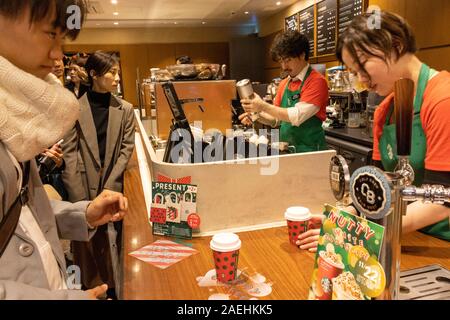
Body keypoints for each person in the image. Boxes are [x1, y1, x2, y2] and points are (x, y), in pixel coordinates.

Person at [0, 0, 129, 299]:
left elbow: (24, 216)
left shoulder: (14, 122)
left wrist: (80, 213)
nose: (58, 54)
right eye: (50, 34)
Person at [298, 11, 450, 252]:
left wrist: (353, 233)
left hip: (441, 245)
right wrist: (345, 217)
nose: (361, 81)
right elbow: (378, 189)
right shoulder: (384, 112)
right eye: (354, 72)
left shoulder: (442, 99)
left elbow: (442, 202)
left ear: (396, 47)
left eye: (362, 67)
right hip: (404, 236)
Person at [62, 50, 136, 298]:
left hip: (112, 181)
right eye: (111, 73)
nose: (117, 78)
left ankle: (115, 287)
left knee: (113, 241)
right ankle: (90, 290)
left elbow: (126, 149)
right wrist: (78, 197)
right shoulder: (73, 108)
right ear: (94, 74)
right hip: (82, 184)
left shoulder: (125, 109)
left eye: (117, 72)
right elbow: (69, 153)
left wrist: (112, 183)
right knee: (86, 244)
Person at [239, 30, 329, 153]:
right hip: (287, 150)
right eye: (281, 61)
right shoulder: (284, 83)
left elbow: (297, 116)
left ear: (302, 55)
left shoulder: (317, 81)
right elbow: (276, 119)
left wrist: (262, 105)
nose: (284, 66)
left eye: (287, 60)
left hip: (311, 151)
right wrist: (257, 115)